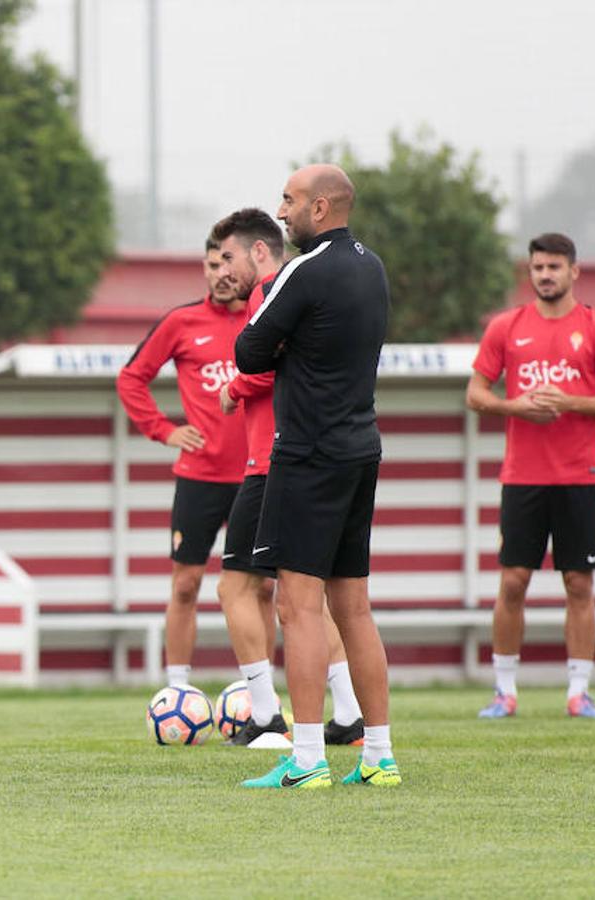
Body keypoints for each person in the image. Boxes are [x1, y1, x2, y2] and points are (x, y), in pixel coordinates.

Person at [234, 164, 398, 789]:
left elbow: (247, 351)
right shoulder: (372, 267)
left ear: (322, 207)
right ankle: (378, 755)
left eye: (290, 200)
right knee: (353, 606)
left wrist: (283, 346)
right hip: (361, 448)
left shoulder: (303, 271)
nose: (281, 211)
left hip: (307, 454)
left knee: (297, 606)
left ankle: (306, 759)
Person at [212, 208, 366, 748]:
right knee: (311, 597)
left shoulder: (273, 292)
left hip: (272, 459)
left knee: (235, 587)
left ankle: (265, 713)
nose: (222, 270)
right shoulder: (323, 284)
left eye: (228, 257)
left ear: (259, 252)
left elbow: (265, 362)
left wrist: (235, 386)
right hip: (312, 453)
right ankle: (348, 713)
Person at [467, 233, 595, 719]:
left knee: (578, 583)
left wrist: (570, 401)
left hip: (580, 478)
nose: (545, 275)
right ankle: (504, 692)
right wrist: (512, 405)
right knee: (513, 581)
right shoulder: (507, 327)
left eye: (554, 267)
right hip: (523, 477)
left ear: (573, 272)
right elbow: (476, 394)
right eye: (538, 267)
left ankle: (579, 693)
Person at [116, 228, 249, 694]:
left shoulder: (264, 321)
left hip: (257, 477)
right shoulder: (182, 322)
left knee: (261, 590)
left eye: (227, 265)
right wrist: (164, 430)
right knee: (186, 585)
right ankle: (178, 689)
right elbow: (132, 379)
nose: (220, 275)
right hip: (200, 478)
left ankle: (257, 691)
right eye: (212, 266)